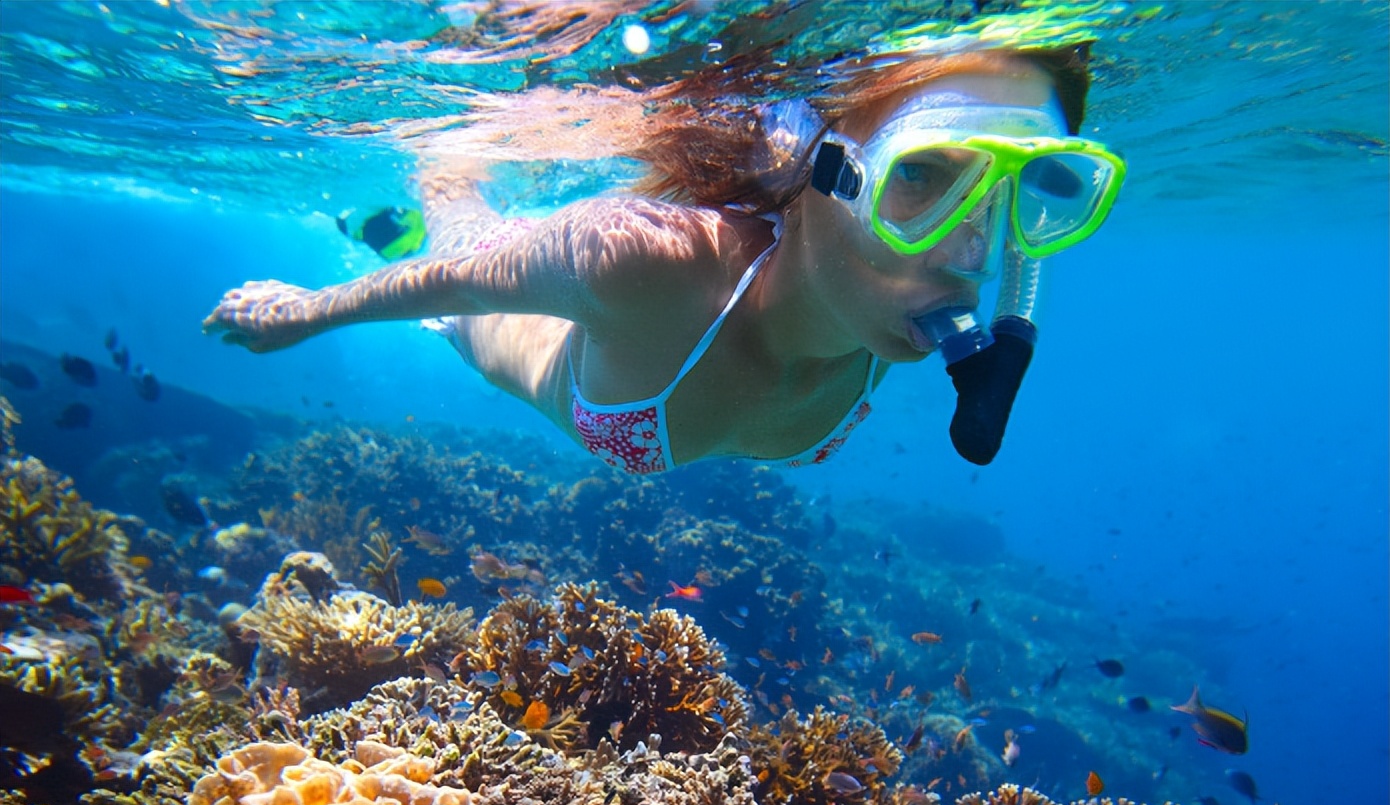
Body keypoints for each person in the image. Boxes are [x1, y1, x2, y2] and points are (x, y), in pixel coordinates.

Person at [203, 46, 1124, 473]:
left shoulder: (877, 309)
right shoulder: (644, 263)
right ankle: (445, 176)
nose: (972, 249)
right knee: (455, 219)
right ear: (817, 167)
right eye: (922, 174)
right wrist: (308, 311)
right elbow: (458, 282)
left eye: (1022, 189)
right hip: (496, 313)